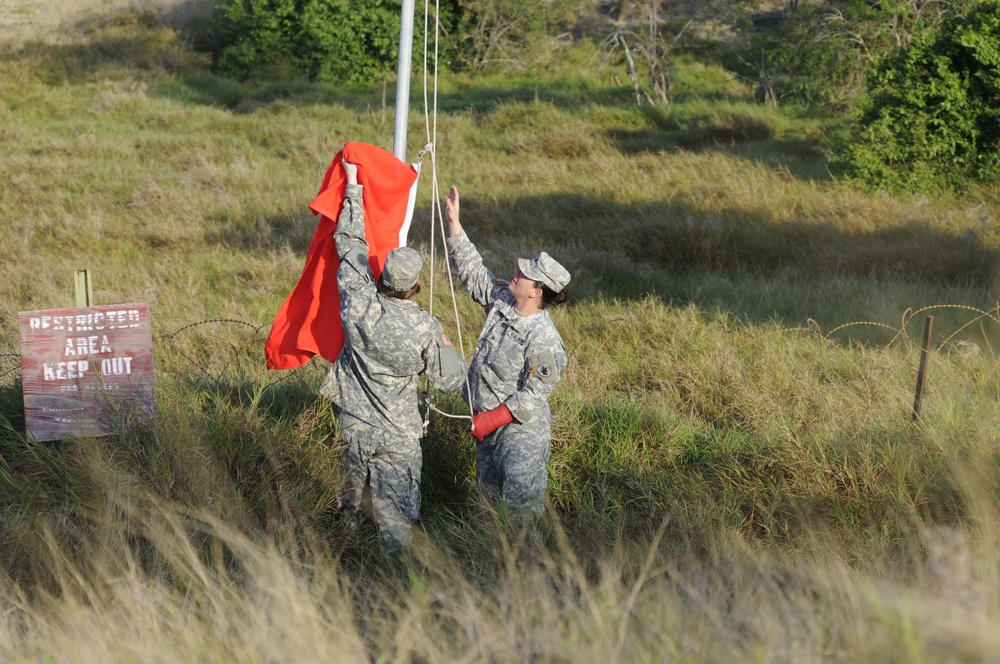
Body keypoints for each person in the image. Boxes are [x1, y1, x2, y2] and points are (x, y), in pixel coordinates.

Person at [319, 156, 467, 551]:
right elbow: (450, 381)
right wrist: (449, 351)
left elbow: (349, 243)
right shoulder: (425, 329)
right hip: (399, 435)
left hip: (352, 426)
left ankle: (345, 562)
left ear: (381, 275)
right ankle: (395, 584)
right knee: (396, 522)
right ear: (416, 286)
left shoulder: (357, 302)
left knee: (346, 507)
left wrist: (354, 185)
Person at [443, 185, 570, 518]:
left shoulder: (544, 339)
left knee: (520, 518)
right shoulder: (503, 301)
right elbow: (473, 274)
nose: (517, 272)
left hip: (519, 436)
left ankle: (528, 570)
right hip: (485, 428)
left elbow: (533, 396)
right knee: (487, 512)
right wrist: (455, 225)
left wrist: (489, 421)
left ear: (537, 292)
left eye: (525, 274)